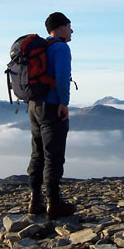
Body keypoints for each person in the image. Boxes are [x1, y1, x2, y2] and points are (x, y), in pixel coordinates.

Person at [27, 12, 76, 220]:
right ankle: (54, 204)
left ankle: (35, 200)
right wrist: (64, 103)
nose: (72, 30)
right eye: (70, 26)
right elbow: (63, 77)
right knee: (53, 156)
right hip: (53, 106)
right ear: (61, 27)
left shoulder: (41, 48)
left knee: (37, 153)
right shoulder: (61, 48)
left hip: (34, 106)